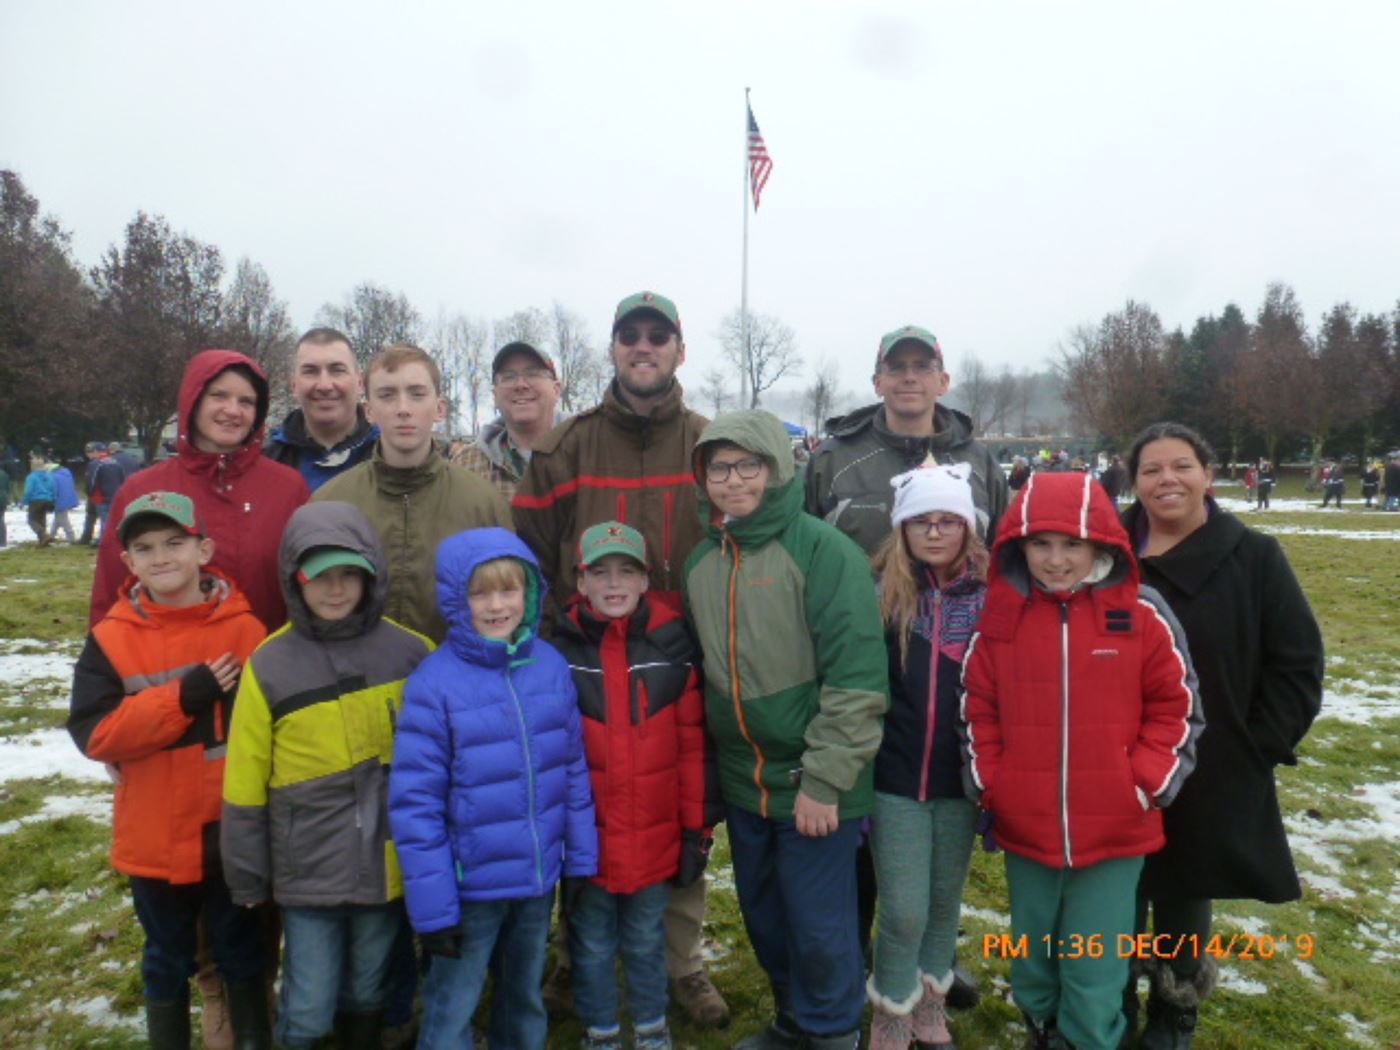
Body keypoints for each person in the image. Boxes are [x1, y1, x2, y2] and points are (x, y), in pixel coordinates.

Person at [513, 291, 727, 1027]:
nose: (644, 347)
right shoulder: (566, 447)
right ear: (611, 349)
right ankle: (578, 959)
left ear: (679, 349)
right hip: (585, 663)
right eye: (629, 336)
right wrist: (555, 648)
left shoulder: (708, 445)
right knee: (590, 810)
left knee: (674, 810)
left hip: (681, 665)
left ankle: (682, 965)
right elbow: (531, 558)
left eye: (658, 337)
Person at [961, 470, 1203, 1050]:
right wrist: (995, 784)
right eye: (1040, 544)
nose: (1055, 559)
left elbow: (1177, 707)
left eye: (1071, 544)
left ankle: (1088, 1037)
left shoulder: (1141, 613)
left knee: (1094, 956)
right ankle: (1041, 1027)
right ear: (1018, 545)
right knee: (1034, 948)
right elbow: (977, 709)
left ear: (1102, 544)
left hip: (1116, 828)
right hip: (1026, 824)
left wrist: (1143, 785)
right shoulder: (1002, 614)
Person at [684, 410, 887, 1050]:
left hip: (815, 781)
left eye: (749, 464)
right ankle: (795, 1019)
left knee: (819, 924)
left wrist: (826, 779)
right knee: (766, 916)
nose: (734, 480)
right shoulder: (702, 561)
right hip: (748, 781)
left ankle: (831, 1033)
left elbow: (856, 678)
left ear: (776, 468)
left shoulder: (824, 552)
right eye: (720, 467)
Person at [1121, 423, 1323, 1048]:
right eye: (1152, 470)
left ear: (1209, 475)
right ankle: (1107, 1011)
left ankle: (1174, 1009)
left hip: (1212, 768)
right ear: (1134, 483)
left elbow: (1297, 663)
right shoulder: (1102, 553)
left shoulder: (1254, 556)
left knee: (1184, 894)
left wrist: (1255, 746)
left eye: (1182, 466)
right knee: (1114, 897)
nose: (1167, 480)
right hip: (1116, 766)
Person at [221, 501, 433, 1050]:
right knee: (310, 1003)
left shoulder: (411, 654)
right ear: (296, 580)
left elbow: (442, 756)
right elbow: (245, 779)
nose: (335, 590)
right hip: (307, 870)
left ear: (371, 576)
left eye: (349, 576)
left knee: (368, 989)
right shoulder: (270, 664)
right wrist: (248, 874)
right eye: (320, 578)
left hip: (388, 869)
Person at [66, 492, 270, 1048]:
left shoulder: (245, 631)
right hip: (154, 836)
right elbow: (95, 733)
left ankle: (251, 1035)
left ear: (203, 549)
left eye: (175, 543)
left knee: (242, 952)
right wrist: (185, 696)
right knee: (165, 957)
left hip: (230, 831)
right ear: (127, 563)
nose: (161, 558)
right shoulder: (111, 639)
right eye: (144, 548)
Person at [389, 528, 598, 1050]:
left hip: (535, 880)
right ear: (457, 602)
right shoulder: (434, 684)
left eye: (510, 590)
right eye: (481, 593)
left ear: (530, 594)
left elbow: (572, 769)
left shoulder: (549, 667)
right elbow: (416, 805)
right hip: (468, 889)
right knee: (453, 1002)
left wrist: (580, 862)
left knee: (522, 993)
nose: (498, 605)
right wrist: (434, 909)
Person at [551, 522, 713, 1050]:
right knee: (592, 943)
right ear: (582, 579)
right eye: (601, 572)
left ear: (646, 581)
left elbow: (690, 746)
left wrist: (695, 830)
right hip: (587, 842)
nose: (614, 583)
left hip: (654, 838)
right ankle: (600, 1030)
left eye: (627, 571)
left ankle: (650, 1027)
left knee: (646, 939)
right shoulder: (559, 649)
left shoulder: (672, 644)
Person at [865, 463, 988, 1049]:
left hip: (961, 783)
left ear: (967, 528)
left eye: (948, 521)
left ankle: (930, 1004)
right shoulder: (881, 596)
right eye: (921, 522)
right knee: (905, 909)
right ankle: (891, 1008)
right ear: (903, 529)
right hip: (896, 781)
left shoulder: (994, 599)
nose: (935, 533)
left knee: (943, 903)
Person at [91, 350, 311, 632]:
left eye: (246, 401)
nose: (232, 410)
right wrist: (102, 670)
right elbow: (111, 595)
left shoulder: (288, 488)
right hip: (168, 667)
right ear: (193, 400)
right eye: (219, 396)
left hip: (269, 665)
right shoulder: (142, 489)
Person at [313, 344, 513, 644]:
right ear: (369, 410)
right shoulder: (330, 502)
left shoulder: (483, 502)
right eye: (387, 395)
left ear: (440, 408)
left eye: (417, 394)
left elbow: (510, 602)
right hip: (361, 682)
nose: (403, 408)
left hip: (456, 680)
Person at [806, 326, 1008, 555]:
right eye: (896, 368)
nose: (909, 377)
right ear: (878, 382)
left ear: (943, 381)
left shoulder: (980, 464)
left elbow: (1004, 559)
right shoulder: (832, 461)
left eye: (922, 366)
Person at [264, 327, 379, 491]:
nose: (324, 385)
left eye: (337, 370)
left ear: (359, 383)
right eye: (310, 371)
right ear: (294, 386)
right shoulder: (267, 461)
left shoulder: (391, 458)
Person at [452, 340, 562, 501]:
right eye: (508, 377)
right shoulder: (465, 465)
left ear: (556, 390)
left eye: (532, 374)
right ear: (495, 396)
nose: (520, 385)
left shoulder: (589, 454)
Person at [82, 442, 127, 545]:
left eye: (89, 452)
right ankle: (110, 539)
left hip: (101, 496)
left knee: (105, 520)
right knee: (113, 520)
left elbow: (91, 481)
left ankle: (104, 541)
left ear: (96, 452)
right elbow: (123, 478)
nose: (88, 455)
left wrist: (90, 494)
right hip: (115, 495)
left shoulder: (95, 464)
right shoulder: (116, 462)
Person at [22, 452, 57, 546]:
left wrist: (24, 501)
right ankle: (43, 541)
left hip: (36, 500)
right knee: (42, 519)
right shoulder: (49, 476)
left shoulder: (31, 477)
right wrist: (53, 499)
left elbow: (28, 491)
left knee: (32, 520)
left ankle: (43, 535)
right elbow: (54, 489)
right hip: (48, 500)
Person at [49, 458, 80, 542]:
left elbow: (53, 490)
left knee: (63, 519)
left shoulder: (52, 477)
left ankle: (71, 537)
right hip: (69, 498)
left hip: (60, 500)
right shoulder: (66, 473)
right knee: (58, 517)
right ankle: (51, 535)